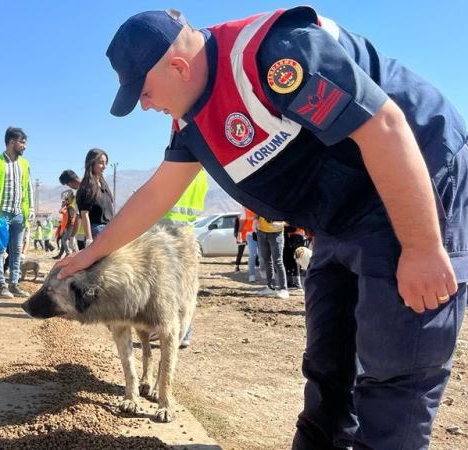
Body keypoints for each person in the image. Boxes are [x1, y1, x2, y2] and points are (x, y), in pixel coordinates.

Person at [57, 8, 467, 449]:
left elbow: (384, 128)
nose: (145, 104)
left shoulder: (276, 58)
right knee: (329, 365)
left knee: (393, 372)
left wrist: (423, 247)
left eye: (145, 91)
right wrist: (89, 254)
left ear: (177, 67)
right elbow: (158, 194)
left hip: (411, 182)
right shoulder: (192, 122)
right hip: (341, 213)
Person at [158, 168, 208, 349]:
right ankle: (183, 332)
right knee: (184, 287)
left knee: (169, 286)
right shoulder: (202, 174)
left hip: (168, 232)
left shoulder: (178, 168)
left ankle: (170, 329)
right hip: (186, 232)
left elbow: (159, 198)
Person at [0, 126, 33, 299]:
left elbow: (28, 188)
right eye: (22, 142)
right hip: (0, 214)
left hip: (19, 213)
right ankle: (0, 285)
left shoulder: (24, 164)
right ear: (12, 142)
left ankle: (13, 284)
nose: (25, 146)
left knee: (17, 250)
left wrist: (31, 209)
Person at [76, 148, 114, 246]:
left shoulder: (104, 185)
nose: (104, 166)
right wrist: (89, 239)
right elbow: (84, 214)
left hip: (109, 229)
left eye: (106, 163)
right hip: (97, 231)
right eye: (101, 163)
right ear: (91, 163)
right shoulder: (86, 187)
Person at [256, 216, 289, 299]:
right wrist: (255, 221)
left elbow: (290, 219)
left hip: (276, 233)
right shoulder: (264, 203)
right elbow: (257, 212)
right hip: (261, 232)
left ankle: (283, 289)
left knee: (277, 261)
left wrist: (281, 223)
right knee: (266, 260)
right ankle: (271, 287)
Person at [58, 169, 87, 250]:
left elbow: (79, 217)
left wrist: (72, 237)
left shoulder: (80, 193)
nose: (70, 187)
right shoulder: (89, 184)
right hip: (92, 231)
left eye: (68, 185)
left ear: (70, 182)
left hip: (84, 233)